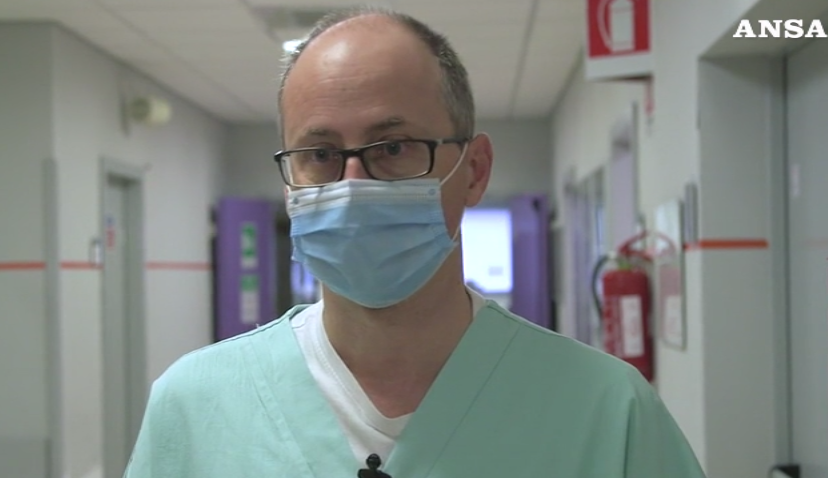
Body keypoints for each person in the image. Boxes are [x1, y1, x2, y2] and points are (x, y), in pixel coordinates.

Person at [124, 6, 707, 478]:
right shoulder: (194, 406)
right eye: (320, 154)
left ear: (474, 171)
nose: (353, 185)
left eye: (393, 147)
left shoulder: (606, 411)